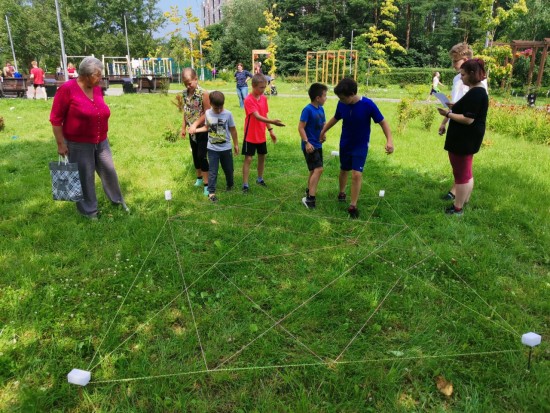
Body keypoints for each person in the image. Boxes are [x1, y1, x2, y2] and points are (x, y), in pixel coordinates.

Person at [50, 56, 128, 220]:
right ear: (85, 75)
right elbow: (56, 119)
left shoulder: (96, 87)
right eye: (97, 75)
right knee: (85, 177)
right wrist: (60, 144)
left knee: (109, 171)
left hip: (101, 141)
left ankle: (118, 201)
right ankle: (89, 211)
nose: (101, 78)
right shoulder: (67, 89)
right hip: (79, 143)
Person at [320, 78, 394, 219]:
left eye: (342, 98)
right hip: (345, 143)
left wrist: (389, 140)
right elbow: (335, 118)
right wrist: (323, 131)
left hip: (360, 145)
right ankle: (342, 192)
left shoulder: (368, 105)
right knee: (344, 169)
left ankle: (353, 205)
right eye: (339, 98)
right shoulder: (341, 104)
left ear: (352, 94)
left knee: (356, 174)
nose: (341, 100)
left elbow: (383, 122)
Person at [437, 59, 489, 215]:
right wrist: (454, 107)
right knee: (466, 172)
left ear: (472, 74)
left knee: (461, 174)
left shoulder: (476, 93)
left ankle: (457, 207)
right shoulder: (476, 91)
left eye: (463, 74)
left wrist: (447, 114)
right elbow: (467, 109)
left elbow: (468, 119)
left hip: (464, 139)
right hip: (468, 138)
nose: (461, 78)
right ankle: (464, 200)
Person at [242, 74, 285, 193]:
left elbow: (264, 115)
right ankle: (245, 185)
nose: (263, 89)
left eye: (264, 87)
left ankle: (260, 179)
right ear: (253, 86)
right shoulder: (248, 100)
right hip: (250, 135)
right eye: (261, 87)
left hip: (261, 135)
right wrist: (273, 122)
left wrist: (271, 130)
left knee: (262, 157)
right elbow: (257, 116)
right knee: (248, 159)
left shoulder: (264, 99)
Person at [195, 91, 239, 203]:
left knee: (229, 170)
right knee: (213, 171)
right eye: (216, 108)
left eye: (221, 107)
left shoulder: (228, 114)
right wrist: (195, 129)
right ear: (210, 104)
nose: (219, 110)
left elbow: (233, 130)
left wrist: (236, 144)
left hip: (226, 149)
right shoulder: (208, 113)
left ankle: (230, 184)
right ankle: (211, 192)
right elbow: (206, 127)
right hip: (212, 149)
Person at [298, 83, 328, 209]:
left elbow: (323, 124)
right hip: (309, 146)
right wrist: (307, 142)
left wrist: (323, 134)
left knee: (313, 170)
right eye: (325, 95)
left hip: (318, 144)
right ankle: (310, 199)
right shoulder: (307, 110)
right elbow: (300, 128)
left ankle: (309, 191)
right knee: (319, 169)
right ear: (317, 98)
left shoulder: (321, 109)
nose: (326, 98)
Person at [181, 67, 210, 195]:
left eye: (190, 83)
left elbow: (208, 113)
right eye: (185, 83)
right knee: (195, 156)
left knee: (202, 156)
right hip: (191, 131)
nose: (188, 86)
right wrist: (183, 127)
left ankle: (207, 184)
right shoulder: (184, 93)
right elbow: (185, 111)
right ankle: (199, 178)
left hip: (202, 130)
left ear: (196, 79)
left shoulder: (203, 93)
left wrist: (196, 124)